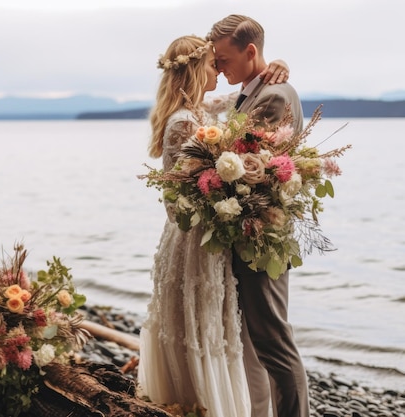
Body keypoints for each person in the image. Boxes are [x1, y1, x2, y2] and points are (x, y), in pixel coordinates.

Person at [137, 35, 289, 416]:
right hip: (193, 242)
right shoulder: (184, 122)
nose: (219, 71)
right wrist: (226, 206)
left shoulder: (196, 111)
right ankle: (201, 404)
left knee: (207, 329)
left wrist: (277, 66)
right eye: (211, 65)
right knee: (200, 331)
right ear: (193, 71)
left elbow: (244, 101)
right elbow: (177, 204)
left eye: (220, 63)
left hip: (198, 239)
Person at [207, 14, 309, 417]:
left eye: (222, 59)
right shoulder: (256, 90)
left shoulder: (275, 95)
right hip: (252, 232)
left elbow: (244, 162)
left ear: (250, 52)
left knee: (273, 343)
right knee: (254, 344)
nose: (218, 68)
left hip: (261, 235)